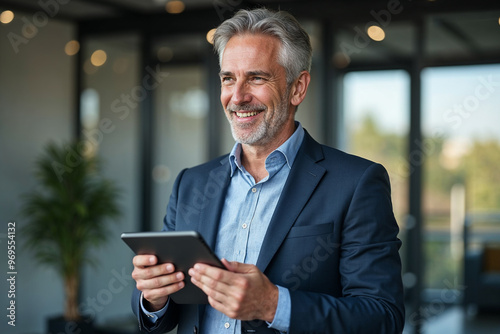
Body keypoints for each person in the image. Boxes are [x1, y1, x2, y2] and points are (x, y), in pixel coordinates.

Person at [131, 8, 404, 334]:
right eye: (228, 78)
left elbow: (382, 317)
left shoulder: (356, 183)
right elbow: (167, 311)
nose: (238, 97)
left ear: (297, 88)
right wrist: (153, 299)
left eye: (257, 78)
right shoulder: (191, 183)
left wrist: (274, 305)